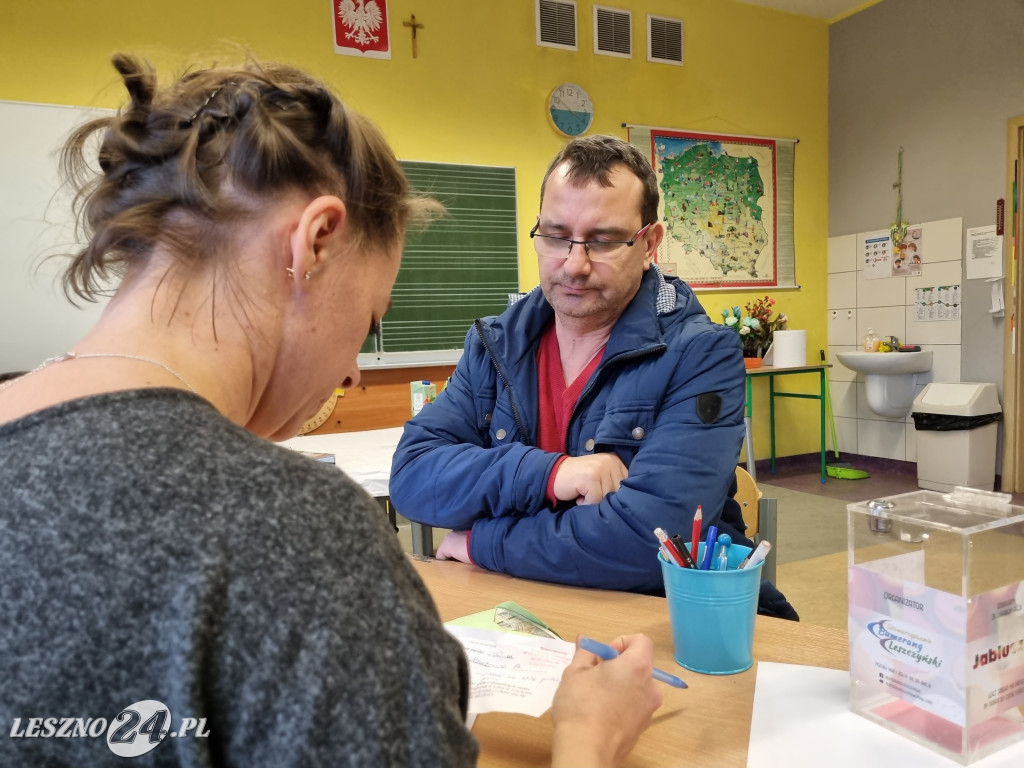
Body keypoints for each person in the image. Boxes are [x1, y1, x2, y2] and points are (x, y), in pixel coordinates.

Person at [0, 55, 661, 767]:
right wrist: (588, 740)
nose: (352, 367)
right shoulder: (298, 532)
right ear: (315, 241)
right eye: (371, 320)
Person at [390, 135, 749, 595]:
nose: (574, 265)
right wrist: (550, 474)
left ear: (650, 243)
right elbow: (414, 477)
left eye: (603, 241)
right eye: (557, 237)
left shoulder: (700, 355)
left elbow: (653, 542)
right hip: (522, 612)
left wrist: (484, 543)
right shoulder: (496, 345)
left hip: (655, 622)